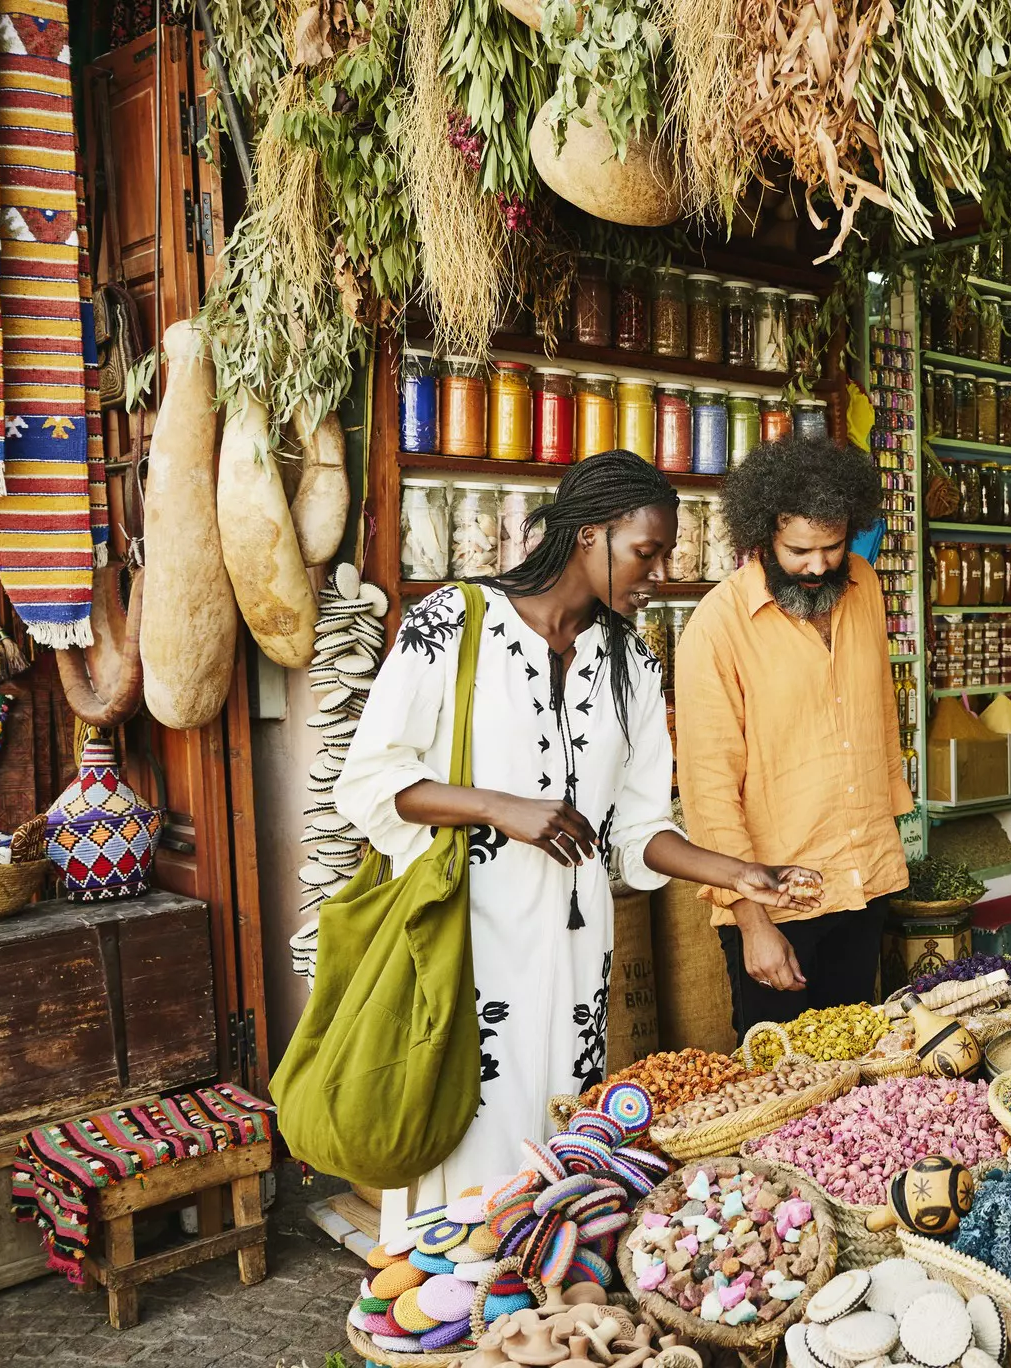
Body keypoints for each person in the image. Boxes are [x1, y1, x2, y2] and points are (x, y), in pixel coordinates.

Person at [335, 451, 819, 1242]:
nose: (658, 573)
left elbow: (637, 833)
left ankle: (537, 1316)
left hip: (574, 957)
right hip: (466, 945)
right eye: (646, 551)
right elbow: (369, 782)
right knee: (467, 1149)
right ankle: (440, 1327)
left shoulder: (631, 663)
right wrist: (499, 808)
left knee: (560, 1150)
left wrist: (743, 874)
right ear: (589, 534)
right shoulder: (452, 624)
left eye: (665, 555)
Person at [673, 433, 911, 1032]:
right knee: (781, 1094)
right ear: (763, 535)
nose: (819, 566)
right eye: (800, 550)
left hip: (864, 882)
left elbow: (879, 718)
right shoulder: (717, 627)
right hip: (778, 904)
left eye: (832, 546)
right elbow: (709, 792)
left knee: (856, 1089)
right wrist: (754, 924)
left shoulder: (864, 587)